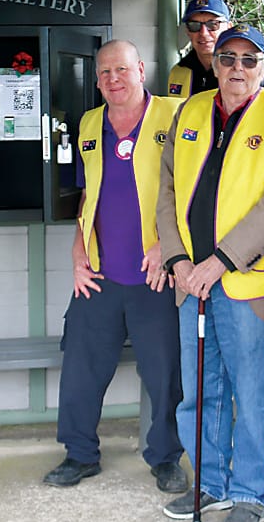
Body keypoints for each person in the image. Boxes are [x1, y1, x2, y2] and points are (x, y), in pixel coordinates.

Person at [156, 24, 264, 522]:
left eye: (249, 59)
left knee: (251, 392)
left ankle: (250, 492)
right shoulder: (190, 111)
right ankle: (210, 483)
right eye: (227, 58)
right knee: (200, 390)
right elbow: (166, 192)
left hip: (248, 280)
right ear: (214, 64)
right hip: (190, 280)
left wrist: (220, 261)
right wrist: (177, 260)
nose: (237, 68)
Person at [42, 40, 185, 492]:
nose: (113, 79)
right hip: (99, 274)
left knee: (165, 375)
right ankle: (79, 454)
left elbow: (193, 192)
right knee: (80, 370)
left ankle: (166, 458)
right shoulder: (90, 123)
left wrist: (168, 246)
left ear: (140, 69)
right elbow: (87, 195)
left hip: (156, 275)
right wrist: (78, 252)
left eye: (121, 69)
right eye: (104, 72)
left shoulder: (176, 116)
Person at [166, 0, 264, 99]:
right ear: (187, 31)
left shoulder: (252, 69)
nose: (203, 33)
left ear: (229, 27)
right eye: (194, 25)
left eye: (213, 25)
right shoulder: (179, 72)